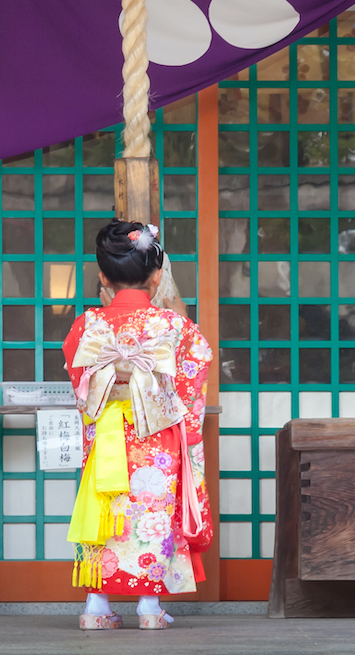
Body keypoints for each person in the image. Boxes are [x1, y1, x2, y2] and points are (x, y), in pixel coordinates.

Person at [63, 221, 214, 630]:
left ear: (102, 276)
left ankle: (97, 605)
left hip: (106, 431)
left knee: (103, 511)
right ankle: (149, 606)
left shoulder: (86, 326)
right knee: (152, 512)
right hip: (157, 437)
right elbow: (193, 380)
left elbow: (81, 385)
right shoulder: (177, 328)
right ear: (157, 274)